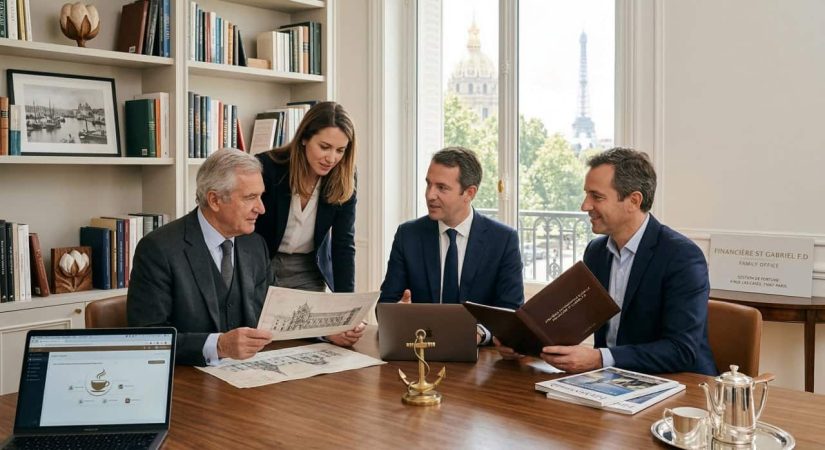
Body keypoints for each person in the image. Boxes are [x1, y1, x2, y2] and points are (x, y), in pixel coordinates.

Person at [496, 147, 716, 375]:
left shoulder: (682, 257)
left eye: (597, 197)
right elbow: (571, 322)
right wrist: (526, 344)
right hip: (612, 382)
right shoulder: (596, 251)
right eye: (586, 194)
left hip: (682, 386)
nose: (585, 206)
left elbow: (681, 350)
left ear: (633, 201)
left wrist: (600, 358)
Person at [127, 149, 272, 366]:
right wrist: (219, 346)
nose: (261, 208)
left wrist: (324, 333)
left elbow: (272, 315)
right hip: (188, 381)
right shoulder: (158, 249)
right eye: (250, 198)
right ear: (214, 200)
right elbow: (148, 337)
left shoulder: (255, 245)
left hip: (249, 378)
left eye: (260, 196)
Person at [379, 146, 524, 345]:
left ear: (469, 193)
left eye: (442, 188)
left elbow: (510, 312)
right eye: (428, 184)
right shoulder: (408, 235)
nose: (430, 195)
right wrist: (397, 313)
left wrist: (480, 333)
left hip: (480, 360)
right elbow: (385, 305)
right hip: (421, 350)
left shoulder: (503, 239)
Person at [254, 101, 363, 347]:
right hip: (262, 264)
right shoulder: (268, 168)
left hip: (306, 270)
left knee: (317, 337)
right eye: (324, 147)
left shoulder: (345, 176)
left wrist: (346, 311)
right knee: (266, 336)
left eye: (340, 150)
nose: (331, 158)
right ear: (304, 138)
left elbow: (344, 244)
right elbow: (246, 233)